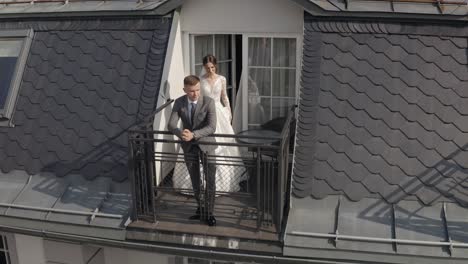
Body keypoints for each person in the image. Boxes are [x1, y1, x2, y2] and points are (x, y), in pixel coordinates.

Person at [173, 55, 247, 194]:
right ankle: (196, 183)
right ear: (204, 67)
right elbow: (197, 99)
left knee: (222, 143)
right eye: (207, 68)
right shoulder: (200, 80)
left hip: (218, 111)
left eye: (212, 67)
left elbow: (224, 96)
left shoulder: (222, 79)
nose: (210, 70)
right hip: (204, 112)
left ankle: (224, 179)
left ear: (216, 66)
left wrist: (228, 113)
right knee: (203, 141)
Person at [168, 75, 218, 226]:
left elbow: (212, 127)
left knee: (210, 181)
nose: (195, 94)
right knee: (195, 181)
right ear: (185, 90)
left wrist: (194, 135)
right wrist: (181, 133)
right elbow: (171, 125)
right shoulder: (179, 102)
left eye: (197, 90)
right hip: (189, 147)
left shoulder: (208, 102)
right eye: (191, 91)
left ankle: (209, 212)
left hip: (207, 146)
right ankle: (200, 208)